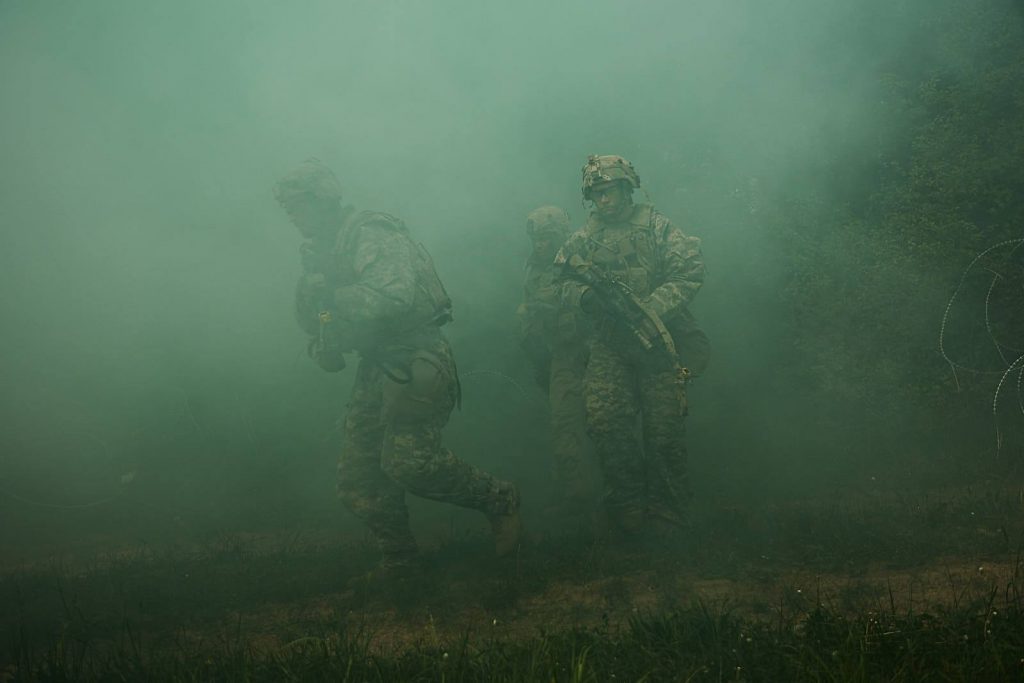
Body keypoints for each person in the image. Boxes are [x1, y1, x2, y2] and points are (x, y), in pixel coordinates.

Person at [274, 158, 522, 575]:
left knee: (411, 463)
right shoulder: (321, 251)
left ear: (323, 200)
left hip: (415, 359)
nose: (293, 216)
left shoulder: (371, 232)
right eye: (288, 209)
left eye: (298, 206)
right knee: (358, 479)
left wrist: (332, 295)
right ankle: (401, 562)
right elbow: (316, 312)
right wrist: (324, 338)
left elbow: (392, 297)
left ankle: (500, 500)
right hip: (378, 364)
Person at [553, 155, 707, 538]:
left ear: (627, 188)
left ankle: (670, 514)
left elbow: (689, 272)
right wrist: (585, 298)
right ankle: (627, 507)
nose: (603, 201)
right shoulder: (583, 240)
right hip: (609, 346)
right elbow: (561, 282)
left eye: (609, 192)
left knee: (664, 432)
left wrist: (650, 309)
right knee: (606, 424)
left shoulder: (657, 227)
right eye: (596, 194)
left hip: (657, 345)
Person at [516, 206, 595, 511]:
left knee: (607, 423)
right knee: (564, 423)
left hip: (596, 350)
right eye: (536, 239)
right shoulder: (533, 268)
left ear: (561, 236)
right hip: (562, 356)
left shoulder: (583, 259)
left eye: (547, 238)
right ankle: (577, 497)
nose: (540, 245)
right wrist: (538, 357)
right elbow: (530, 312)